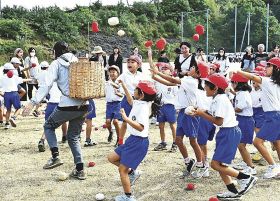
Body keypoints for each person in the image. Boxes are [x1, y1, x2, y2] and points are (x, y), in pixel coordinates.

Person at [22, 41, 89, 180]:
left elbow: (46, 84)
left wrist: (33, 102)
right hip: (84, 104)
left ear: (55, 52)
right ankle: (80, 169)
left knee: (48, 126)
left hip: (67, 105)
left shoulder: (56, 64)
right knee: (73, 137)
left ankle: (55, 156)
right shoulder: (77, 61)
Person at [192, 73, 257, 200]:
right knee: (220, 165)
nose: (204, 87)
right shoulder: (217, 98)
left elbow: (218, 121)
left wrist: (201, 114)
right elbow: (211, 114)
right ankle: (233, 191)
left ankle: (246, 178)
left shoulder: (221, 99)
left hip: (229, 133)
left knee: (215, 165)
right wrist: (198, 112)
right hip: (226, 133)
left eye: (206, 85)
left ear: (215, 88)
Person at [150, 55, 207, 179]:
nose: (190, 67)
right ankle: (188, 161)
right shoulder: (187, 79)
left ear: (197, 73)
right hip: (182, 112)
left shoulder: (191, 81)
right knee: (179, 140)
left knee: (193, 141)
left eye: (193, 67)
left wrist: (157, 72)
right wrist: (156, 75)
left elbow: (173, 80)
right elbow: (169, 82)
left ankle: (201, 165)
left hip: (190, 114)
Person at [107, 80, 157, 201]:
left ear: (142, 94)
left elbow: (141, 127)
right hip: (132, 140)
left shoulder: (144, 108)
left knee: (122, 170)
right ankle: (132, 172)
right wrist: (124, 84)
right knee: (111, 158)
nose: (133, 90)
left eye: (136, 89)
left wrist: (125, 118)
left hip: (139, 142)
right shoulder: (139, 102)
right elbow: (130, 100)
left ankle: (128, 197)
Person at [234, 57, 280, 179]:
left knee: (257, 142)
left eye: (269, 65)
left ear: (276, 68)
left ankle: (273, 166)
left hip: (273, 115)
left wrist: (237, 70)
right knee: (277, 142)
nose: (266, 67)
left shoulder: (268, 81)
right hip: (275, 115)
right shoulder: (276, 83)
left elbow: (253, 77)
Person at [36, 61, 68, 152]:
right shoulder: (64, 82)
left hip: (50, 104)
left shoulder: (49, 82)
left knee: (48, 125)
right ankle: (64, 136)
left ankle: (42, 140)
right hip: (60, 105)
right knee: (64, 121)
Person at [230, 73, 256, 175]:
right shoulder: (242, 93)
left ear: (236, 83)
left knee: (241, 145)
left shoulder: (243, 94)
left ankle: (251, 167)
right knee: (240, 144)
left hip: (245, 120)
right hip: (242, 120)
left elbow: (239, 109)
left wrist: (229, 109)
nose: (231, 84)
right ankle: (246, 163)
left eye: (232, 82)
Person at [116, 55, 143, 146]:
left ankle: (135, 140)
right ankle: (120, 141)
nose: (129, 64)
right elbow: (117, 84)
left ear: (138, 65)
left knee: (137, 121)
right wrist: (117, 88)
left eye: (132, 62)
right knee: (125, 121)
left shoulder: (141, 75)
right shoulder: (124, 75)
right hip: (127, 100)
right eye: (128, 62)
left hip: (138, 100)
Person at [152, 62, 178, 152]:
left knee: (172, 125)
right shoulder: (158, 81)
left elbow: (177, 95)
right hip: (160, 106)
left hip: (170, 105)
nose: (163, 70)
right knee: (161, 125)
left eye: (165, 69)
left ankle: (175, 142)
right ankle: (163, 142)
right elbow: (153, 73)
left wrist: (177, 107)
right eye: (162, 68)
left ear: (170, 72)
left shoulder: (173, 81)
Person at [0, 63, 31, 129]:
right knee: (19, 108)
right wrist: (30, 79)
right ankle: (13, 118)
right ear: (9, 70)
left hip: (6, 94)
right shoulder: (14, 77)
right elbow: (22, 80)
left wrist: (3, 95)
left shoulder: (2, 78)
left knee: (8, 109)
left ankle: (7, 123)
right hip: (14, 93)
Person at [105, 65, 123, 144]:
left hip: (117, 104)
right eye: (110, 72)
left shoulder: (120, 82)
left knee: (115, 121)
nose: (112, 73)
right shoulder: (107, 83)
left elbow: (122, 95)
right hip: (109, 104)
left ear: (118, 73)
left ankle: (119, 139)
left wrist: (117, 93)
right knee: (108, 121)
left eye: (114, 72)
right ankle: (110, 132)